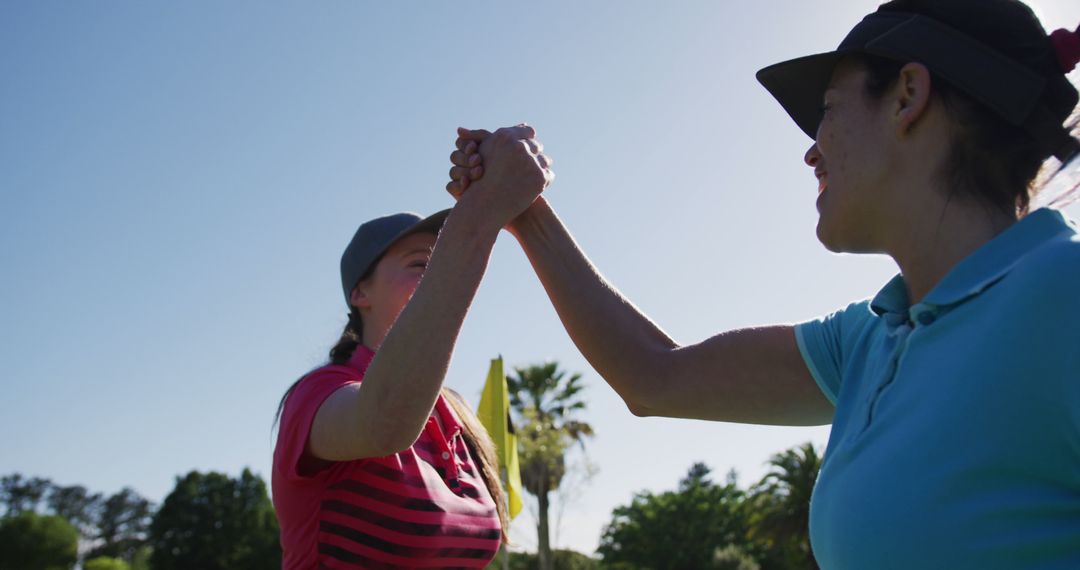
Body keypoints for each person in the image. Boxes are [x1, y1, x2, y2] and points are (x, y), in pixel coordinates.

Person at [447, 1, 1080, 567]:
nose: (811, 151)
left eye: (828, 111)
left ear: (908, 94)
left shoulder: (1062, 296)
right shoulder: (870, 339)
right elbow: (654, 374)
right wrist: (522, 208)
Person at [272, 127, 552, 569]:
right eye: (422, 264)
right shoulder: (316, 395)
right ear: (360, 293)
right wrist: (480, 215)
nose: (440, 272)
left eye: (442, 261)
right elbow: (386, 422)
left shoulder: (457, 412)